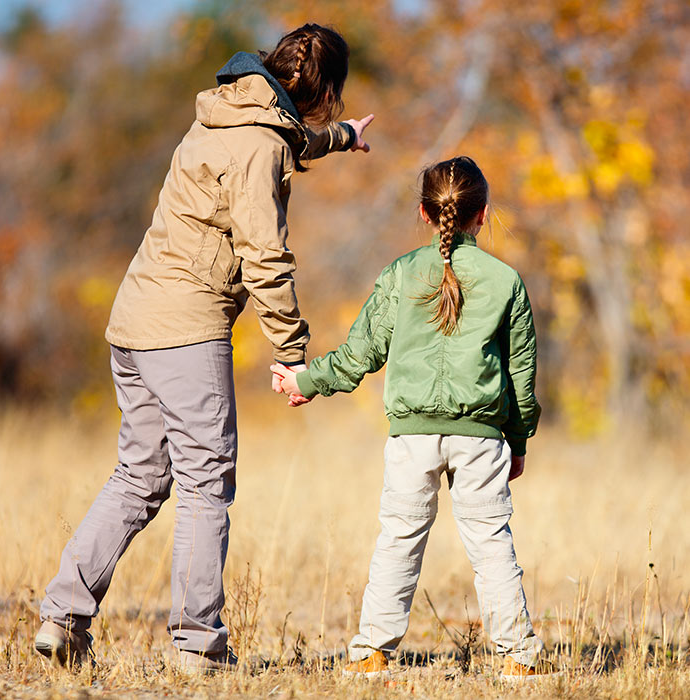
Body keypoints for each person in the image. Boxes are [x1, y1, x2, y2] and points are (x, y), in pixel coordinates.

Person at [35, 23, 374, 672]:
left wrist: (343, 137)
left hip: (134, 319)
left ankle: (62, 617)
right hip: (184, 328)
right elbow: (265, 254)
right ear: (324, 89)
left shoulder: (230, 112)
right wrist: (293, 351)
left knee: (141, 475)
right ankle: (198, 646)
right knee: (204, 485)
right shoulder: (259, 148)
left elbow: (288, 137)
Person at [273, 156, 555, 680]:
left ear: (424, 213)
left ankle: (372, 652)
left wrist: (306, 382)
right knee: (492, 544)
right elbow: (521, 375)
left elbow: (360, 355)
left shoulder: (400, 275)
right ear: (483, 213)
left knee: (398, 541)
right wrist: (518, 440)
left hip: (411, 439)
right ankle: (517, 656)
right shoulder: (506, 281)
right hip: (481, 440)